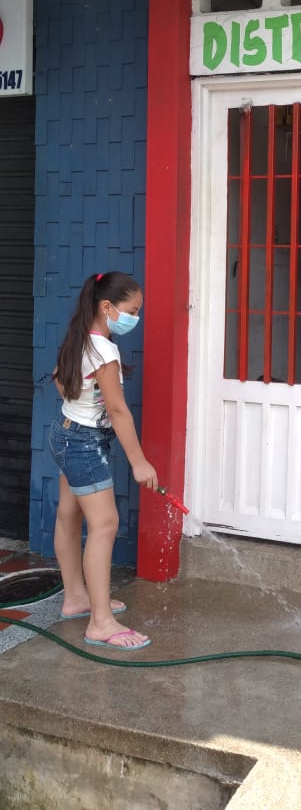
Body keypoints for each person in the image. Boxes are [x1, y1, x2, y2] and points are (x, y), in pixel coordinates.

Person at [49, 272, 158, 650]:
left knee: (69, 516)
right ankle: (101, 623)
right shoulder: (105, 351)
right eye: (132, 310)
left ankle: (76, 598)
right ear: (107, 307)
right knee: (105, 524)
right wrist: (139, 462)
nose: (135, 318)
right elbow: (117, 410)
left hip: (65, 433)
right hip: (83, 444)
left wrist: (81, 403)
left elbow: (59, 379)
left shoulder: (79, 338)